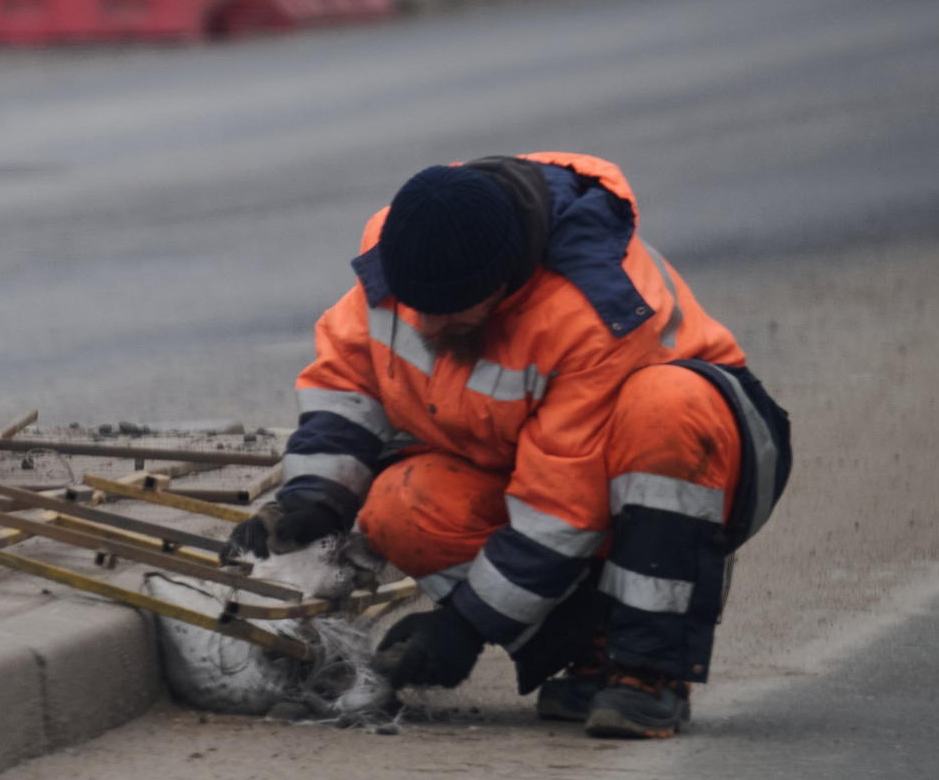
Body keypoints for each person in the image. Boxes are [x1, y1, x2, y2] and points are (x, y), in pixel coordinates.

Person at [224, 154, 791, 738]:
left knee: (662, 406)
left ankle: (650, 670)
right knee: (401, 504)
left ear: (503, 283)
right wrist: (317, 497)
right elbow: (349, 381)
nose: (425, 327)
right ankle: (585, 642)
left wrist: (466, 628)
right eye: (416, 308)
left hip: (700, 468)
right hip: (535, 471)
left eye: (450, 315)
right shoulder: (405, 246)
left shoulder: (590, 308)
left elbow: (560, 509)